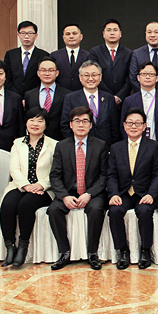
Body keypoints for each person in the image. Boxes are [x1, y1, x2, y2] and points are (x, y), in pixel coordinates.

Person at [47, 106, 109, 270]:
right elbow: (55, 175)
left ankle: (92, 253)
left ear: (91, 125)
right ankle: (64, 253)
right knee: (53, 210)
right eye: (77, 121)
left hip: (92, 192)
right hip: (69, 192)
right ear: (70, 124)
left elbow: (104, 175)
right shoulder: (61, 146)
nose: (81, 124)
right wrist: (64, 196)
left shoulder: (100, 145)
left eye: (85, 121)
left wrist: (89, 194)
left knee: (96, 209)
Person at [107, 108, 158, 270]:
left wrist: (152, 194)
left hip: (144, 193)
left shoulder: (153, 146)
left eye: (138, 123)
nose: (134, 126)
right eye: (130, 123)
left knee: (145, 211)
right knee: (114, 211)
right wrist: (113, 194)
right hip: (124, 193)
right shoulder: (116, 148)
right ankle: (123, 251)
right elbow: (111, 175)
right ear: (124, 126)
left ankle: (145, 251)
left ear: (144, 126)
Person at [0, 107, 58, 267]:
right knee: (7, 204)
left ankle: (22, 247)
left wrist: (41, 184)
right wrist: (26, 185)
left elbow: (56, 171)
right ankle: (10, 248)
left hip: (43, 189)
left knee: (25, 205)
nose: (35, 124)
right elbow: (14, 168)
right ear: (26, 123)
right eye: (31, 120)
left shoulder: (54, 145)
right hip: (20, 185)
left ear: (46, 124)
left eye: (40, 120)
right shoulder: (18, 143)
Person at [121, 61, 158, 157]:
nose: (147, 77)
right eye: (144, 74)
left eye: (151, 74)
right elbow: (123, 127)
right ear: (138, 77)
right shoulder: (129, 101)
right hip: (135, 149)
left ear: (157, 78)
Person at [60, 60, 119, 145]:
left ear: (100, 76)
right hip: (80, 146)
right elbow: (65, 126)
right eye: (86, 75)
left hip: (105, 146)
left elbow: (114, 127)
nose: (90, 79)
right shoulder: (70, 98)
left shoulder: (109, 98)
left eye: (94, 75)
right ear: (80, 77)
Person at [24, 56, 70, 142]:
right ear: (38, 73)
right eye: (43, 70)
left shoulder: (67, 95)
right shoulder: (29, 95)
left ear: (57, 73)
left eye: (51, 70)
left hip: (60, 140)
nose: (47, 73)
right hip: (35, 141)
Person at [88, 19, 133, 105]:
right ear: (103, 34)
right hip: (101, 98)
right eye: (109, 30)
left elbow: (130, 77)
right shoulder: (95, 52)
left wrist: (120, 96)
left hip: (123, 99)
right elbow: (94, 75)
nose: (112, 33)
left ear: (120, 33)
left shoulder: (128, 53)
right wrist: (110, 96)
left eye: (115, 30)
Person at [3, 21, 49, 97]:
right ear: (18, 35)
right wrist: (16, 96)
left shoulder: (43, 55)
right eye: (23, 33)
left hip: (36, 97)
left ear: (36, 35)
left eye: (30, 33)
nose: (26, 36)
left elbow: (45, 78)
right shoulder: (10, 55)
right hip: (14, 97)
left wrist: (32, 96)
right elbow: (6, 78)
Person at [51, 23, 90, 92]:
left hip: (82, 94)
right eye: (68, 34)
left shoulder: (88, 56)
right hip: (60, 94)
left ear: (81, 36)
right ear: (63, 37)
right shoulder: (54, 55)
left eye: (74, 33)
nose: (71, 36)